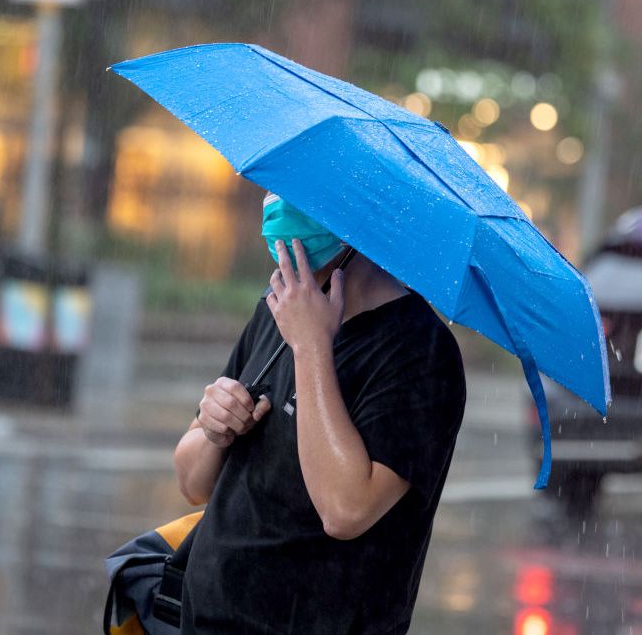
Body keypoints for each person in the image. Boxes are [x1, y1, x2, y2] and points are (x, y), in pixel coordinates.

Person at [173, 193, 466, 634]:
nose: (280, 207)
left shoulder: (420, 352)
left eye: (302, 193)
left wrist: (311, 347)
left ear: (359, 219)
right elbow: (191, 482)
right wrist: (215, 430)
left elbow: (346, 510)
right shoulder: (279, 307)